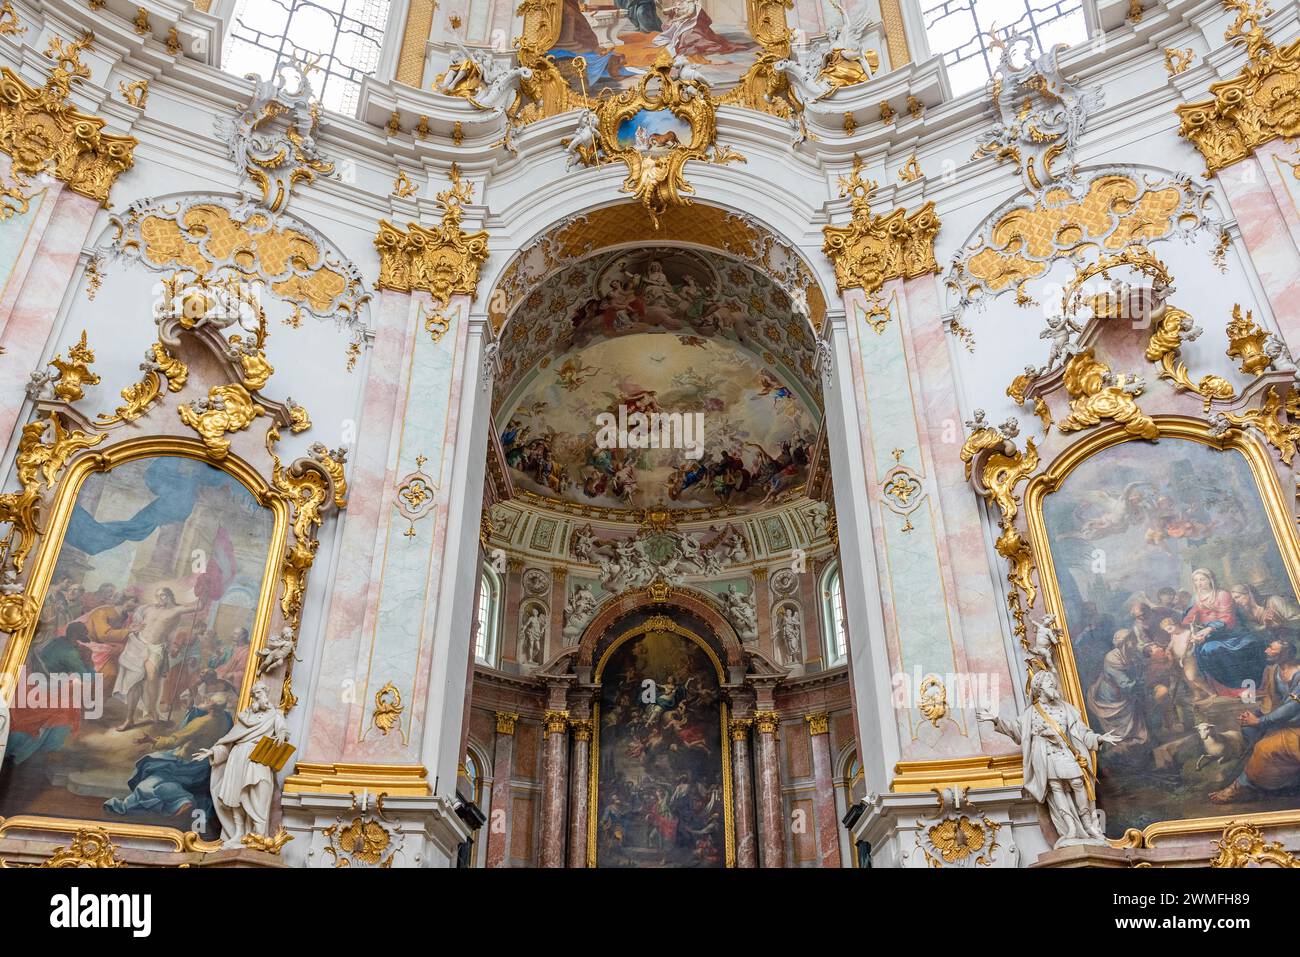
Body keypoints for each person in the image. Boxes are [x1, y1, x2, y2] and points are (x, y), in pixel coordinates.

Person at [104, 693, 234, 828]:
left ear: (211, 705)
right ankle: (180, 801)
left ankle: (181, 800)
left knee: (146, 785)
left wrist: (152, 740)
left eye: (208, 700)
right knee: (161, 786)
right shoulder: (226, 719)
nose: (205, 700)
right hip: (202, 766)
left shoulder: (201, 722)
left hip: (184, 764)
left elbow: (175, 740)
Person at [195, 683, 288, 846]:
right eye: (253, 694)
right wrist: (213, 752)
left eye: (258, 693)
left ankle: (257, 834)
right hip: (238, 757)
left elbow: (282, 731)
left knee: (258, 792)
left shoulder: (275, 715)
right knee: (234, 795)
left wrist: (281, 735)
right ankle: (238, 833)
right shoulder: (245, 717)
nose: (256, 696)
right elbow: (229, 741)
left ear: (265, 693)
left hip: (258, 757)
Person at [1211, 638, 1300, 803]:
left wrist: (1259, 721)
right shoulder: (1272, 669)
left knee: (1263, 747)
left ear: (1286, 653)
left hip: (1296, 725)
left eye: (1272, 648)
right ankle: (1271, 778)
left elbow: (1292, 708)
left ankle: (1241, 785)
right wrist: (1250, 707)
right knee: (1248, 729)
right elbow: (1267, 694)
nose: (1266, 651)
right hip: (1282, 719)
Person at [114, 587, 203, 731]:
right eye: (158, 596)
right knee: (134, 682)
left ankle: (152, 710)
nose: (160, 598)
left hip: (156, 647)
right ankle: (129, 719)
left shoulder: (176, 610)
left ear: (169, 596)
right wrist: (134, 627)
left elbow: (199, 606)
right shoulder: (148, 608)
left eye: (163, 595)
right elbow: (133, 616)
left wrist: (203, 588)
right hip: (138, 645)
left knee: (151, 676)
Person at [1185, 568, 1266, 692]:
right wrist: (1193, 630)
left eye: (1202, 579)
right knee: (1202, 650)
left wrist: (1208, 630)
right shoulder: (1195, 598)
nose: (1199, 583)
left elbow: (1228, 618)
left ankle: (1241, 687)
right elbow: (1189, 618)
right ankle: (1224, 690)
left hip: (1229, 633)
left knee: (1213, 649)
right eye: (1195, 580)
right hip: (1207, 635)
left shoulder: (1222, 594)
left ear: (1210, 580)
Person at [1086, 629, 1150, 748]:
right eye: (1131, 640)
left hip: (1126, 691)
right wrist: (1145, 681)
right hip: (1111, 696)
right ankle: (1124, 743)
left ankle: (1136, 741)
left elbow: (1140, 662)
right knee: (1122, 721)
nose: (1134, 642)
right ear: (1124, 643)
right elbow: (1125, 684)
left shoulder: (1131, 652)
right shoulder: (1112, 658)